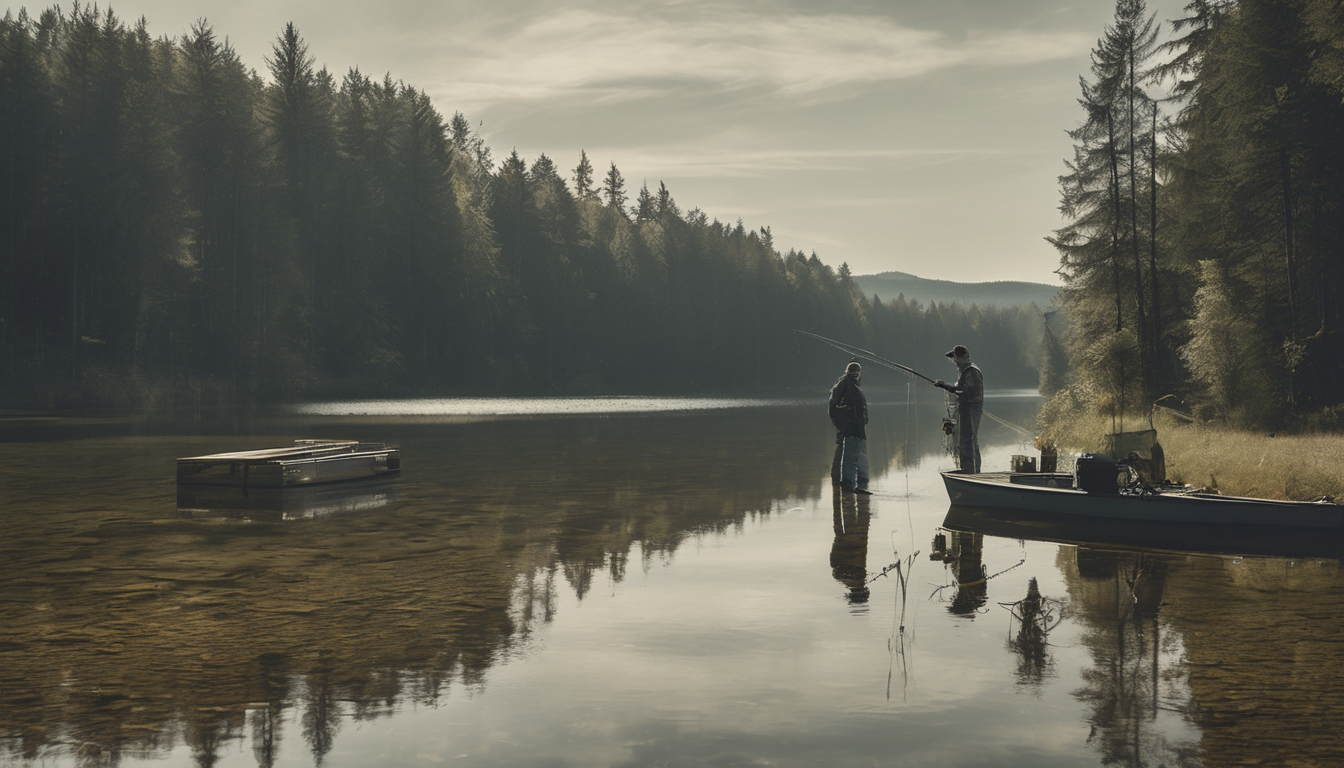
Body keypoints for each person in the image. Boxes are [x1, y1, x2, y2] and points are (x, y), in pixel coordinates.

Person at [934, 345, 983, 473]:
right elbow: (959, 388)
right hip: (966, 409)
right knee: (966, 440)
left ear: (962, 357)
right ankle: (969, 470)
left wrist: (943, 385)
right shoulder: (965, 371)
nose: (954, 361)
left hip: (971, 410)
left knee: (968, 441)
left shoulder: (970, 371)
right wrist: (944, 386)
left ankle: (971, 472)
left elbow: (961, 389)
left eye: (955, 358)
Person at [829, 361, 871, 494]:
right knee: (851, 457)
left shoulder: (845, 385)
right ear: (857, 373)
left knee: (859, 457)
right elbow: (834, 410)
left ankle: (859, 485)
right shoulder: (848, 387)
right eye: (857, 372)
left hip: (856, 429)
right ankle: (850, 486)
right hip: (853, 429)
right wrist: (845, 425)